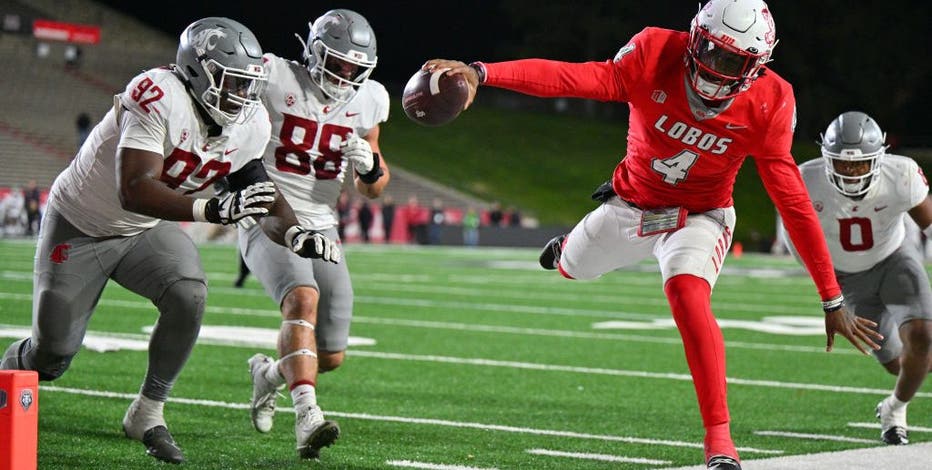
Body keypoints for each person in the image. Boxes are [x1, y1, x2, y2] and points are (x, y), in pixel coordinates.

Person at [424, 1, 882, 468]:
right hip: (631, 204)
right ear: (694, 38)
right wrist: (482, 72)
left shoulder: (770, 100)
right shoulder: (655, 53)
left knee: (687, 293)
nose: (716, 67)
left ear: (757, 66)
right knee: (573, 268)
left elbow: (792, 202)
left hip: (700, 215)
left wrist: (831, 297)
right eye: (711, 51)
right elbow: (571, 77)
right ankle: (566, 250)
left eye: (733, 61)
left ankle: (719, 440)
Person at [0, 17, 340, 464]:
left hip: (143, 230)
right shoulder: (159, 94)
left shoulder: (250, 122)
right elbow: (134, 188)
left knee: (188, 293)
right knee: (52, 356)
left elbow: (262, 194)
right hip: (81, 225)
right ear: (198, 71)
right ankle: (8, 374)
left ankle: (147, 411)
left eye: (248, 84)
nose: (242, 95)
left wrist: (296, 233)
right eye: (232, 81)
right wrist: (211, 210)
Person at [243, 8, 390, 460]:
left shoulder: (369, 99)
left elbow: (374, 188)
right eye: (337, 62)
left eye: (353, 67)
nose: (344, 75)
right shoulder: (274, 76)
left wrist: (370, 165)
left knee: (330, 356)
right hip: (269, 214)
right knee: (302, 299)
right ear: (313, 51)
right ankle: (308, 417)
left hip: (323, 224)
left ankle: (268, 375)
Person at [782, 111, 932, 446]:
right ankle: (894, 400)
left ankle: (895, 411)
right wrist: (830, 296)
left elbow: (929, 222)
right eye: (843, 163)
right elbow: (799, 243)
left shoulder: (901, 173)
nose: (851, 171)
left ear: (879, 158)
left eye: (860, 163)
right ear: (827, 157)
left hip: (895, 260)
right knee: (898, 364)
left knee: (922, 338)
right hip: (845, 278)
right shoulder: (805, 179)